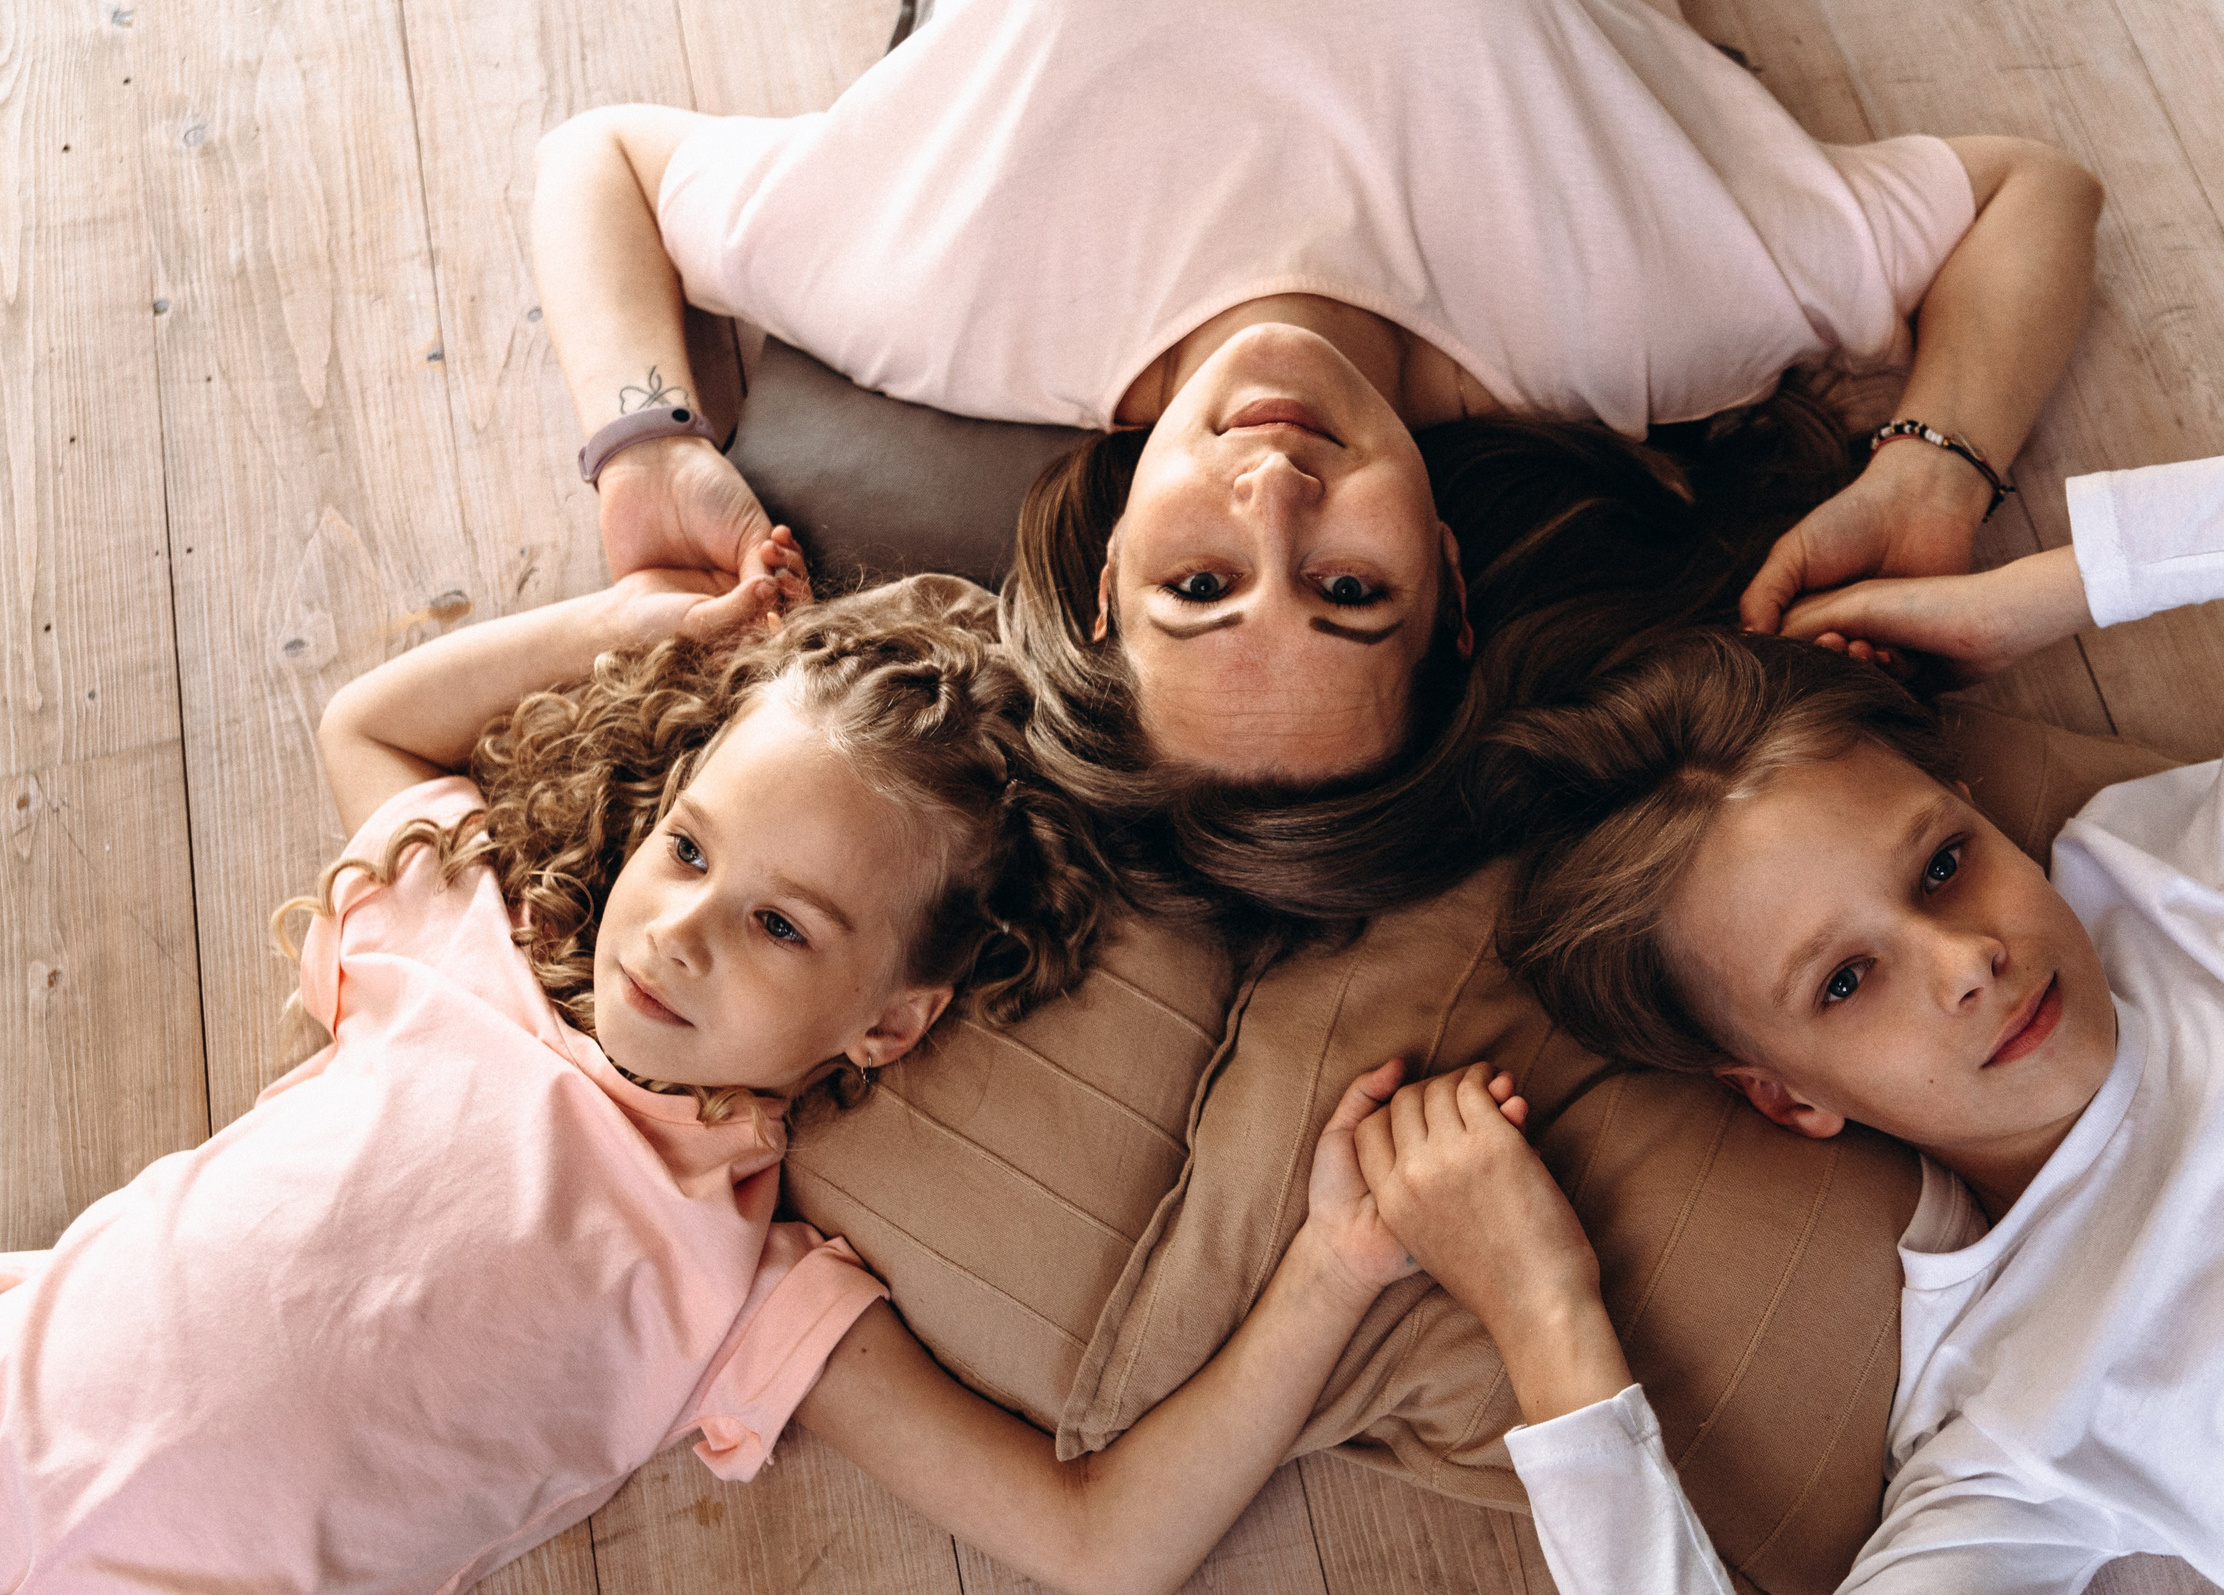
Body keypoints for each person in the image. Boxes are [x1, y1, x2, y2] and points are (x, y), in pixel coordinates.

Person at [0, 543, 1482, 1595]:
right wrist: (670, 631)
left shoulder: (737, 1287)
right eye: (691, 846)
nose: (683, 926)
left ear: (887, 1024)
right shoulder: (462, 950)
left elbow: (1096, 1541)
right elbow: (367, 723)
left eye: (780, 922)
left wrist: (1335, 1270)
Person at [1354, 393, 2224, 1591]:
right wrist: (1545, 1322)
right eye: (1843, 981)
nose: (1964, 961)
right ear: (1782, 1099)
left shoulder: (2212, 890)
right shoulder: (2002, 1425)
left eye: (1941, 863)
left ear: (1982, 814)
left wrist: (2040, 594)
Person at [529, 0, 2102, 791]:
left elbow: (601, 160)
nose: (1274, 495)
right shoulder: (1632, 315)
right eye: (1350, 590)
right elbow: (2033, 194)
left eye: (1198, 583)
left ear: (1103, 569)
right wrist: (1936, 471)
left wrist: (644, 441)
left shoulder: (954, 297)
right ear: (1452, 573)